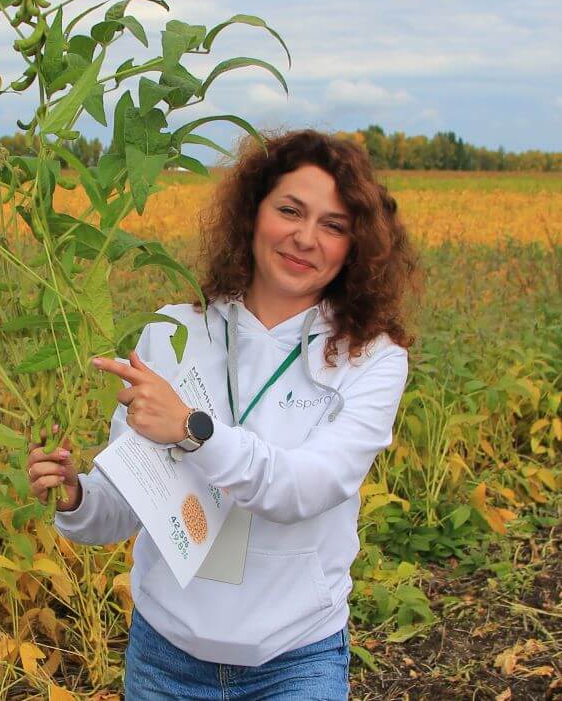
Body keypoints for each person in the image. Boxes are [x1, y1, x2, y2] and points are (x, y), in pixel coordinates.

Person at [27, 129, 421, 700]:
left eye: (333, 225)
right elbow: (124, 507)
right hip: (166, 657)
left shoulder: (372, 358)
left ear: (355, 245)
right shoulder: (173, 330)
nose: (305, 238)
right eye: (289, 210)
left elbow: (307, 488)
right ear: (253, 212)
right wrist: (75, 496)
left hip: (296, 660)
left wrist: (193, 430)